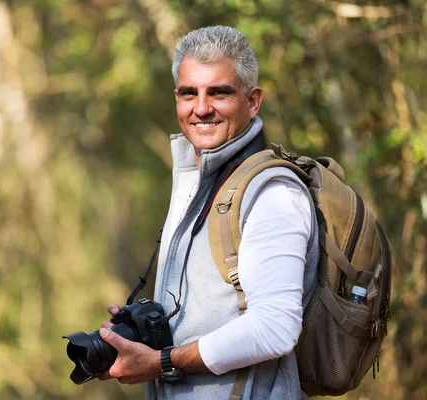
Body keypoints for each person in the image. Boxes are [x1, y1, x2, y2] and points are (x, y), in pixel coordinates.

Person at [97, 26, 319, 399]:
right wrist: (141, 332)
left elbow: (276, 327)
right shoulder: (196, 183)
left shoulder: (272, 193)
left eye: (219, 92)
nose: (201, 108)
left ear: (253, 101)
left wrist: (164, 361)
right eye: (189, 93)